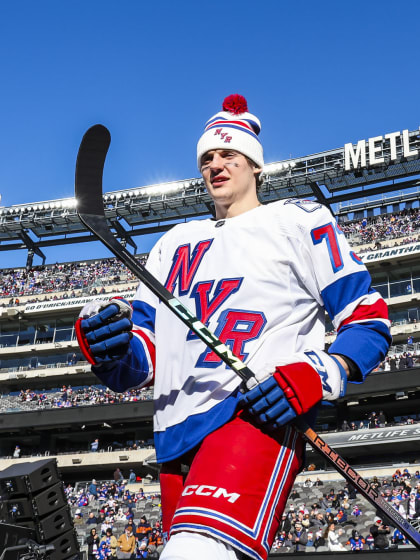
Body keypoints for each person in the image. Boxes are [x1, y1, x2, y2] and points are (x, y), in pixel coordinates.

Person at [75, 94, 391, 560]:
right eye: (206, 157)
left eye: (228, 154)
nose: (215, 164)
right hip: (174, 431)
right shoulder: (171, 244)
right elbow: (145, 359)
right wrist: (110, 348)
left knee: (195, 553)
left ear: (255, 164)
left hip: (253, 413)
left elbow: (368, 320)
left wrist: (316, 373)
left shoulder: (298, 221)